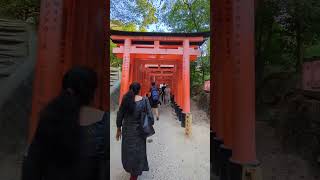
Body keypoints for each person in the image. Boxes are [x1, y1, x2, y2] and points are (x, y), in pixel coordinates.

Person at [22, 66, 108, 180]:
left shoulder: (50, 115)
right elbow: (104, 166)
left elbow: (33, 161)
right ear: (92, 91)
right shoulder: (102, 120)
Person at [116, 82, 154, 180]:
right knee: (138, 152)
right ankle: (134, 174)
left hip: (127, 131)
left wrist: (118, 129)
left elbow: (120, 114)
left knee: (128, 152)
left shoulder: (126, 99)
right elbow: (151, 118)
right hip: (139, 132)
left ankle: (131, 170)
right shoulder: (144, 100)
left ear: (130, 89)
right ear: (139, 90)